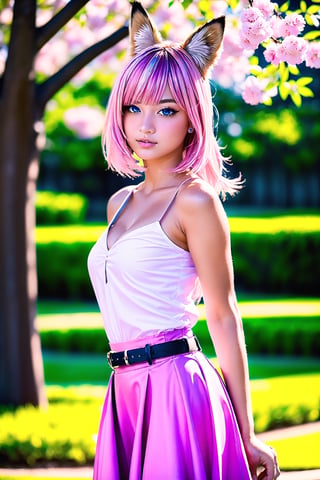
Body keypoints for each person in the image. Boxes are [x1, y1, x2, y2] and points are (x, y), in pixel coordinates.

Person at [88, 2, 280, 479]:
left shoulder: (196, 203)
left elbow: (222, 314)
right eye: (134, 107)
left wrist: (247, 431)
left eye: (166, 109)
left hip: (176, 386)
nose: (145, 125)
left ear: (192, 116)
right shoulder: (119, 203)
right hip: (123, 388)